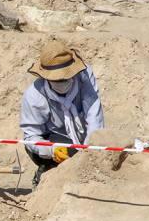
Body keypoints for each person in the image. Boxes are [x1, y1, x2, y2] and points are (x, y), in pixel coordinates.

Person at [20, 37, 104, 188]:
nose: (62, 82)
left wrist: (91, 148)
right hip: (55, 138)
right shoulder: (34, 95)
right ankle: (46, 171)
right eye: (56, 80)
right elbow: (31, 136)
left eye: (66, 77)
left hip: (82, 136)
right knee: (60, 154)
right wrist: (50, 150)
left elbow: (94, 114)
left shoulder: (84, 77)